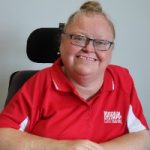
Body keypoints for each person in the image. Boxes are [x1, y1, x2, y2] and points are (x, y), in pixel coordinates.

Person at [0, 1, 149, 150]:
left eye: (101, 42)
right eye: (79, 38)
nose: (89, 48)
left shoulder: (122, 79)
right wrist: (60, 147)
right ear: (61, 43)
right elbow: (3, 136)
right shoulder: (39, 83)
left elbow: (143, 137)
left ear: (111, 50)